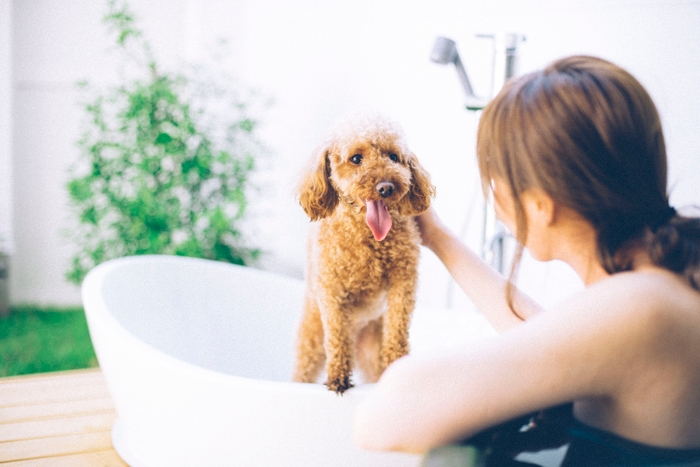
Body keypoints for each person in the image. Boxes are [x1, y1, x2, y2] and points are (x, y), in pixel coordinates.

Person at [352, 55, 700, 465]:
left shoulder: (643, 307)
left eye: (497, 182)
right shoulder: (669, 272)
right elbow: (554, 337)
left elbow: (385, 417)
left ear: (540, 205)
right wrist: (437, 237)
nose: (495, 198)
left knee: (451, 459)